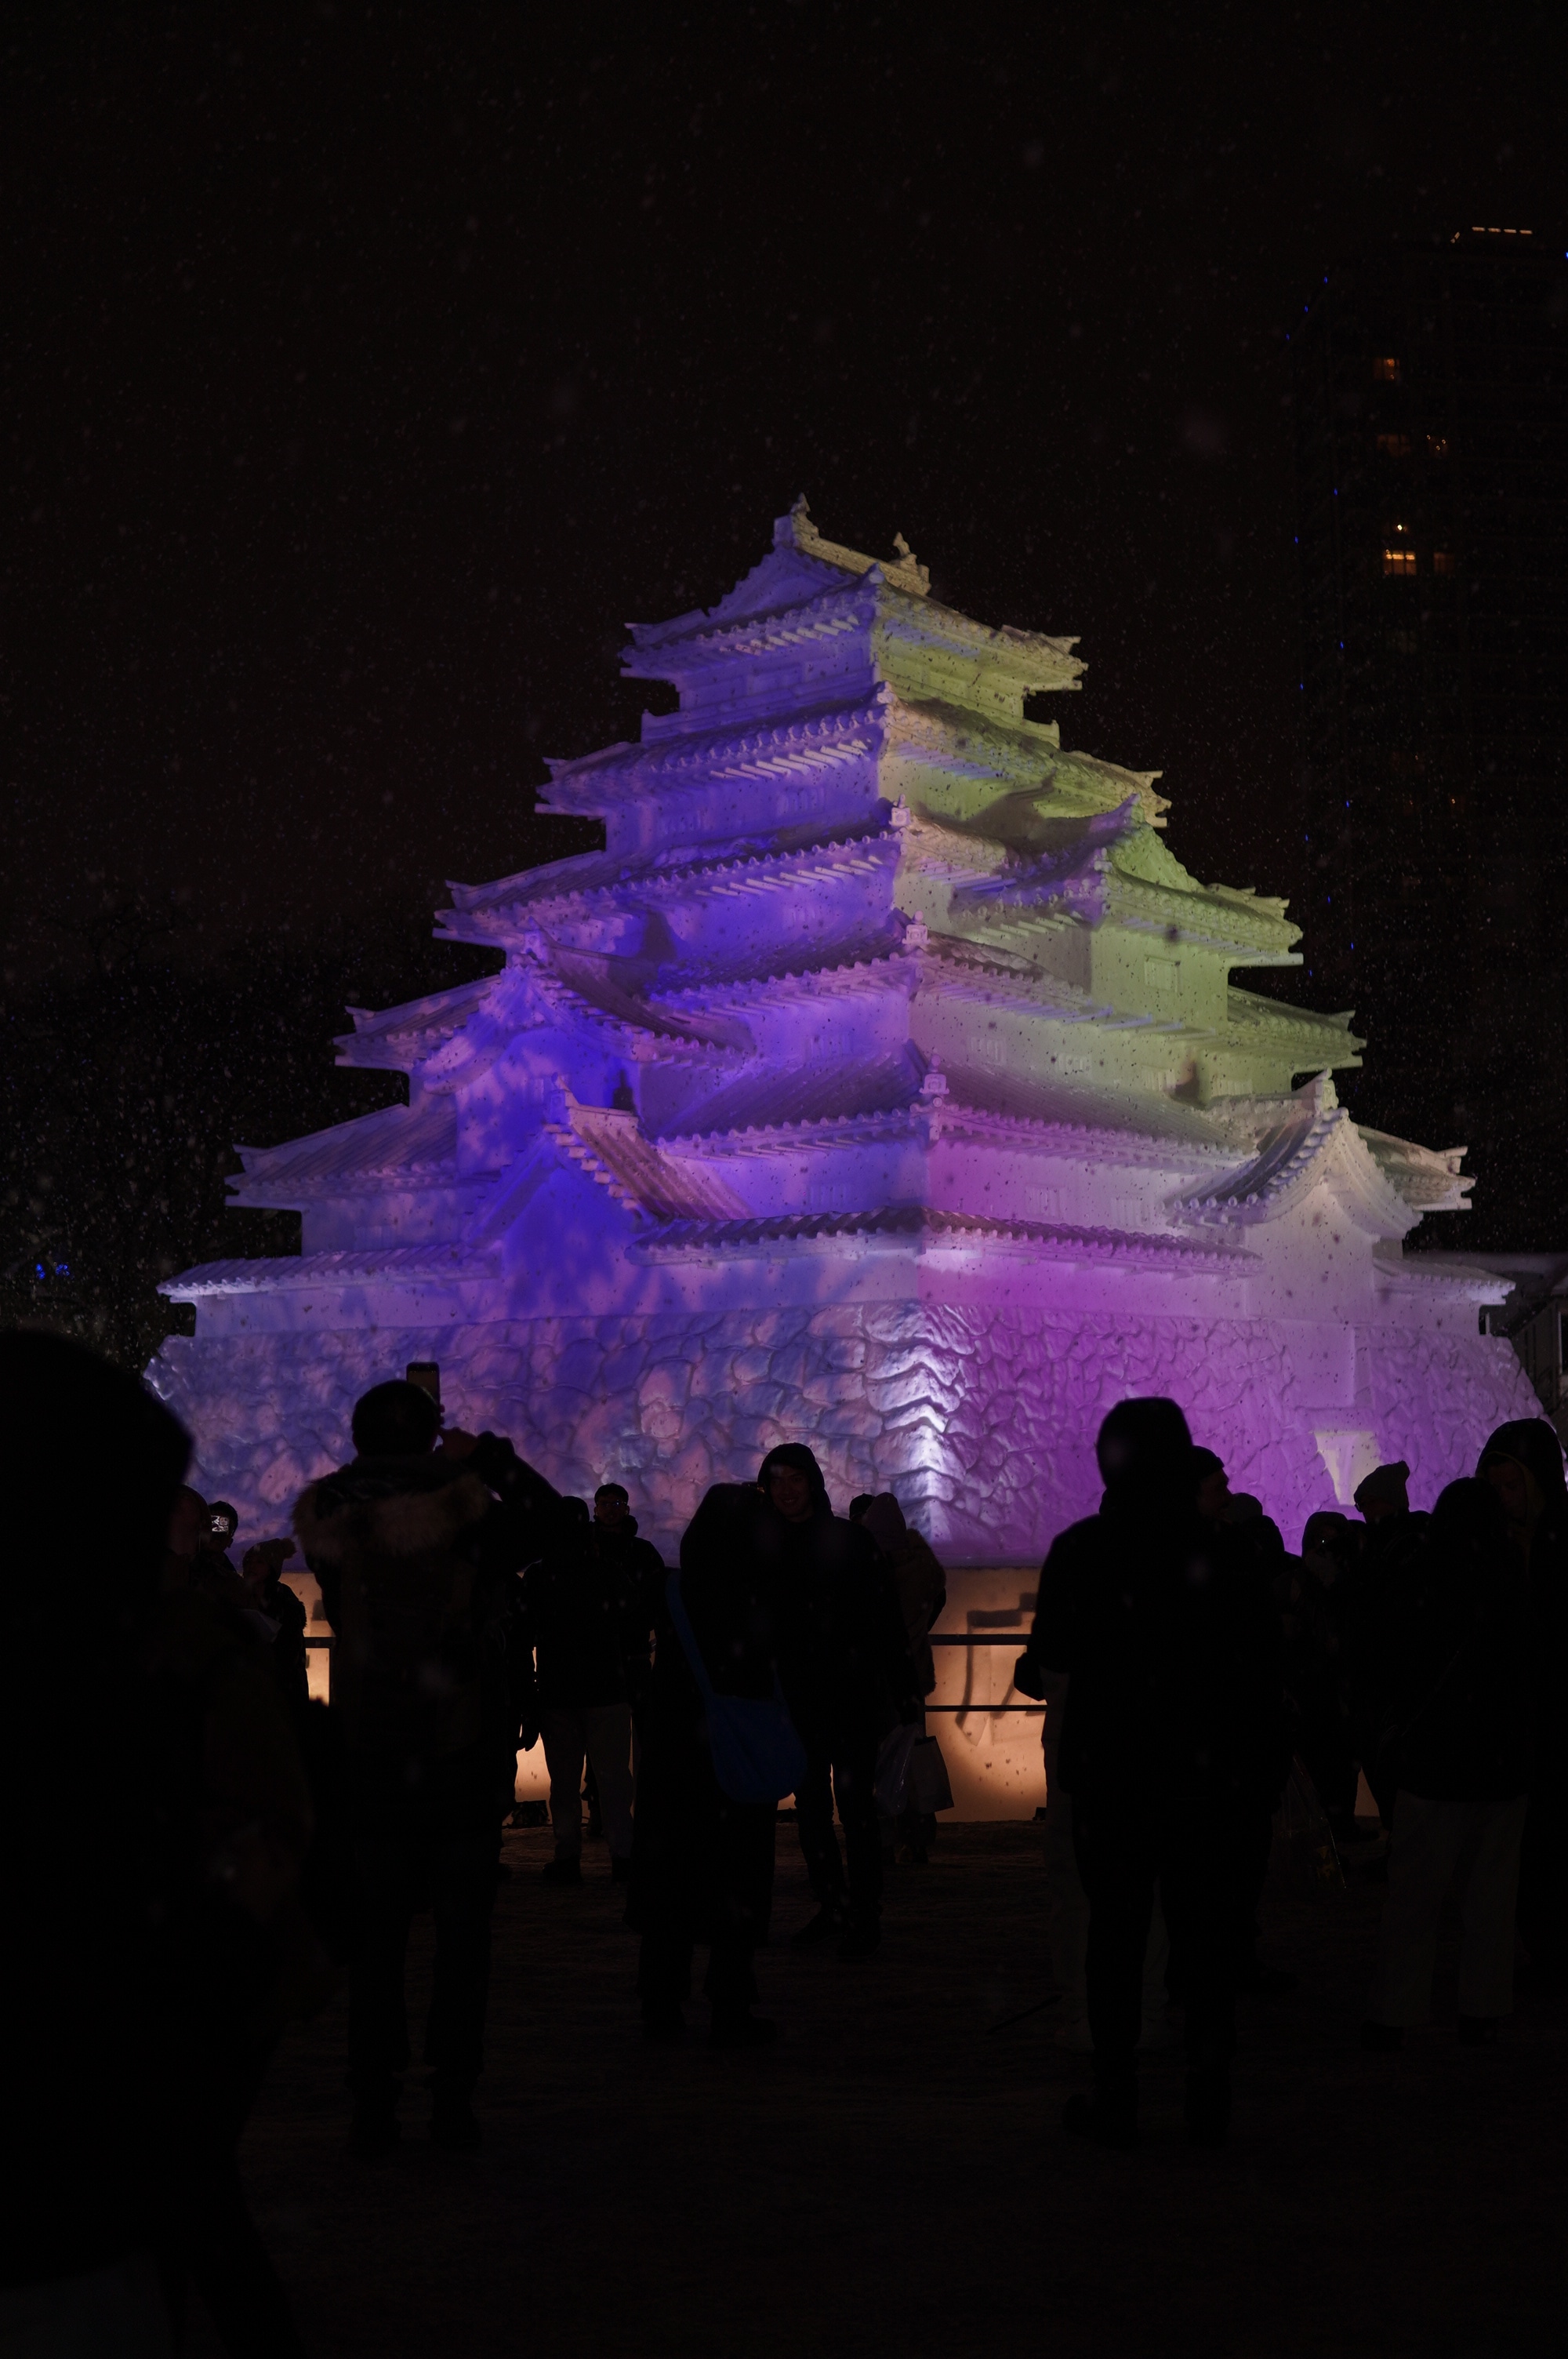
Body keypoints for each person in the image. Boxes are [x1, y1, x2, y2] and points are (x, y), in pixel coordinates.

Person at [1, 1331, 314, 2357]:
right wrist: (228, 1924)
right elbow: (112, 1987)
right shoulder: (78, 1704)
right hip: (57, 2231)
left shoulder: (95, 1680)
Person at [294, 1377, 561, 2154]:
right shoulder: (471, 1510)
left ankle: (372, 2098)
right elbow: (554, 1524)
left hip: (372, 1747)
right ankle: (453, 2094)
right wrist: (490, 1460)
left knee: (376, 1942)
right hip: (460, 1745)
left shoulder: (331, 1519)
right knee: (462, 1937)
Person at [1027, 1398, 1287, 2149]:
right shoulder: (1229, 1552)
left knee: (1115, 1937)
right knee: (1205, 1945)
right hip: (1207, 1778)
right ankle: (1208, 2100)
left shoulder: (1083, 1551)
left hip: (1114, 1774)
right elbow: (1261, 1667)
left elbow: (1057, 1652)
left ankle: (1117, 2096)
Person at [1363, 1478, 1534, 2048]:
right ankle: (1483, 2008)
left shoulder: (1424, 1575)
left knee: (1414, 1895)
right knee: (1491, 1897)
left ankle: (1398, 2010)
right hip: (1501, 1762)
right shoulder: (1514, 1576)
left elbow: (1395, 1661)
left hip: (1435, 1761)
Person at [630, 1484, 784, 2045]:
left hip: (676, 1761)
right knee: (736, 1881)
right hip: (737, 1761)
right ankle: (730, 2003)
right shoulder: (762, 1597)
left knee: (670, 1886)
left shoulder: (668, 1590)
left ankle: (661, 2001)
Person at [757, 1444, 917, 1959]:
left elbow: (884, 1619)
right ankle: (836, 1904)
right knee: (813, 1809)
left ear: (813, 1482)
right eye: (776, 1480)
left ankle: (860, 1910)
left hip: (847, 1696)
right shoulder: (770, 1546)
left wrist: (901, 1684)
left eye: (794, 1478)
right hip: (801, 1699)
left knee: (851, 1808)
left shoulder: (846, 1542)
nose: (786, 1489)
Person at [1476, 1418, 1568, 1991]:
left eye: (1515, 1486)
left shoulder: (1555, 1542)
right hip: (1525, 1725)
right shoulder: (1497, 1550)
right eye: (1498, 1489)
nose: (1507, 1500)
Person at [521, 1492, 652, 1885]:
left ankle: (568, 1855)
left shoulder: (541, 1576)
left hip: (559, 1691)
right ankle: (622, 1855)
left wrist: (529, 1690)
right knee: (613, 1778)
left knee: (564, 1780)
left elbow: (525, 1633)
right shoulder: (608, 1571)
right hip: (606, 1689)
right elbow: (634, 1624)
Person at [1339, 1460, 1428, 1826]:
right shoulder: (1395, 1545)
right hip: (1389, 1677)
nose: (1365, 1513)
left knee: (1395, 1767)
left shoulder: (1399, 1547)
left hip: (1395, 1679)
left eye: (1369, 1503)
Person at [858, 1492, 946, 1863]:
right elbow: (936, 1602)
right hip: (912, 1681)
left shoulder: (870, 1573)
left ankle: (884, 1840)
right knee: (912, 1761)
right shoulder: (922, 1570)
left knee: (879, 1764)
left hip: (877, 1683)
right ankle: (919, 1838)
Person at [241, 1538, 311, 1709]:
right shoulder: (240, 1595)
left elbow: (289, 1649)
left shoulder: (284, 1599)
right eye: (249, 1561)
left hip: (281, 1686)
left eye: (260, 1561)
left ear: (271, 1567)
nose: (252, 1566)